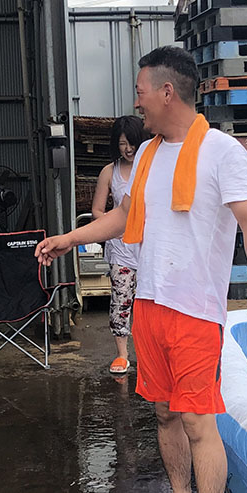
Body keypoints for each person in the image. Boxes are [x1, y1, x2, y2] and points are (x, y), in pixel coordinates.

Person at [37, 46, 247, 493]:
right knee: (165, 413)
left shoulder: (221, 151)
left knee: (198, 421)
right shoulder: (146, 154)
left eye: (141, 91)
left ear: (168, 92)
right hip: (150, 303)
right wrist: (69, 238)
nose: (136, 101)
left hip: (194, 311)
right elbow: (124, 217)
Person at [91, 115, 151, 374]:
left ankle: (151, 354)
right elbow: (97, 210)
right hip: (121, 250)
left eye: (132, 143)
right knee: (121, 299)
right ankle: (122, 354)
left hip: (150, 248)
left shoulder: (152, 167)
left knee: (152, 303)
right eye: (122, 143)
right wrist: (112, 227)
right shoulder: (109, 172)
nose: (128, 149)